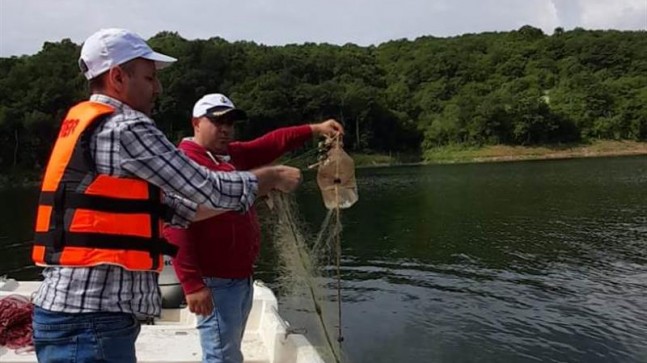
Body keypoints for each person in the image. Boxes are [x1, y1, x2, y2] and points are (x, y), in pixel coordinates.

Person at [30, 28, 301, 363]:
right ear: (117, 76)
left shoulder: (83, 125)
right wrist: (270, 176)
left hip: (70, 311)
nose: (158, 88)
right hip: (91, 320)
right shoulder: (126, 127)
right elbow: (209, 188)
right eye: (149, 77)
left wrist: (251, 190)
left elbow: (178, 207)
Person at [163, 93, 343, 363]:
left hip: (240, 279)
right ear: (196, 123)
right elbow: (175, 229)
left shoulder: (231, 155)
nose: (226, 129)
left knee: (228, 350)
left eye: (231, 122)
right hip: (213, 282)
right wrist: (191, 284)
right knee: (221, 356)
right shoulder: (186, 163)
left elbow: (271, 143)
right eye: (217, 121)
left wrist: (315, 129)